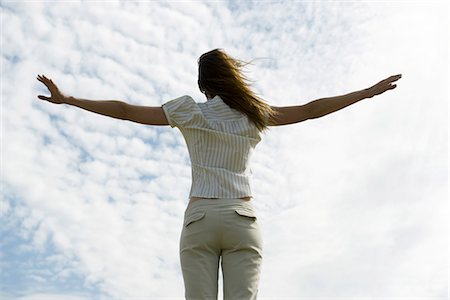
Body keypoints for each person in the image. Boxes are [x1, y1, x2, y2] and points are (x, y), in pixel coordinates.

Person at [36, 48, 401, 300]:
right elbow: (309, 110)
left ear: (203, 86)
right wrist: (366, 93)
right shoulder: (253, 114)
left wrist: (70, 99)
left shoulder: (188, 112)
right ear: (232, 79)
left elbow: (125, 110)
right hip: (243, 218)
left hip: (200, 219)